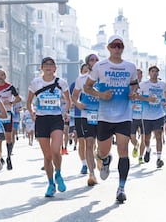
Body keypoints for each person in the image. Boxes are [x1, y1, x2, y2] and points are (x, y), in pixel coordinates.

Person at [84, 35, 138, 203]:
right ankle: (105, 159)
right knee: (103, 151)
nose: (117, 48)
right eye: (114, 45)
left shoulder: (130, 67)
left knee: (123, 150)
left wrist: (133, 92)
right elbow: (87, 87)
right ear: (108, 48)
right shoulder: (100, 66)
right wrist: (100, 94)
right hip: (105, 117)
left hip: (124, 115)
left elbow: (134, 84)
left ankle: (121, 188)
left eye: (120, 45)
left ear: (123, 48)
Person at [26, 57, 71, 197]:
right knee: (47, 156)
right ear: (41, 67)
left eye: (51, 65)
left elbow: (68, 101)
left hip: (56, 119)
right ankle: (51, 183)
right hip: (41, 120)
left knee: (56, 151)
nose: (48, 67)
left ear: (55, 68)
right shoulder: (36, 83)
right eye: (46, 65)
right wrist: (32, 112)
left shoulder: (61, 83)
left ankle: (58, 173)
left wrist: (66, 112)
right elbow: (29, 102)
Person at [72, 54, 100, 185]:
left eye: (96, 60)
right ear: (87, 63)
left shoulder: (104, 78)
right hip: (86, 115)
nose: (94, 62)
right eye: (91, 60)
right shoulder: (81, 79)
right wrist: (78, 104)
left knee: (101, 145)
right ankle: (91, 174)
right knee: (89, 143)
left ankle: (101, 159)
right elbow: (74, 96)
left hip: (103, 115)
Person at [140, 66, 166, 168]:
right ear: (149, 73)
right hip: (147, 115)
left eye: (156, 71)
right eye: (152, 71)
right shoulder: (143, 85)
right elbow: (137, 96)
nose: (154, 73)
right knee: (147, 138)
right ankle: (148, 149)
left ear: (158, 73)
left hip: (159, 114)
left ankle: (159, 158)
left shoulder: (163, 84)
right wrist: (148, 99)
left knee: (158, 135)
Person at [0, 69, 21, 170]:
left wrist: (11, 103)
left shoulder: (10, 87)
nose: (0, 77)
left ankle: (9, 158)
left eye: (2, 75)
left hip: (7, 114)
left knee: (8, 137)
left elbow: (18, 98)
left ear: (5, 76)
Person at [130, 69, 146, 164]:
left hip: (143, 116)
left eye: (139, 75)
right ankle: (136, 146)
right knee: (132, 138)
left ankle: (141, 157)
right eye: (136, 74)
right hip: (132, 116)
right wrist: (130, 105)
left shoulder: (144, 86)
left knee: (144, 138)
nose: (137, 76)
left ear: (141, 76)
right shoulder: (130, 86)